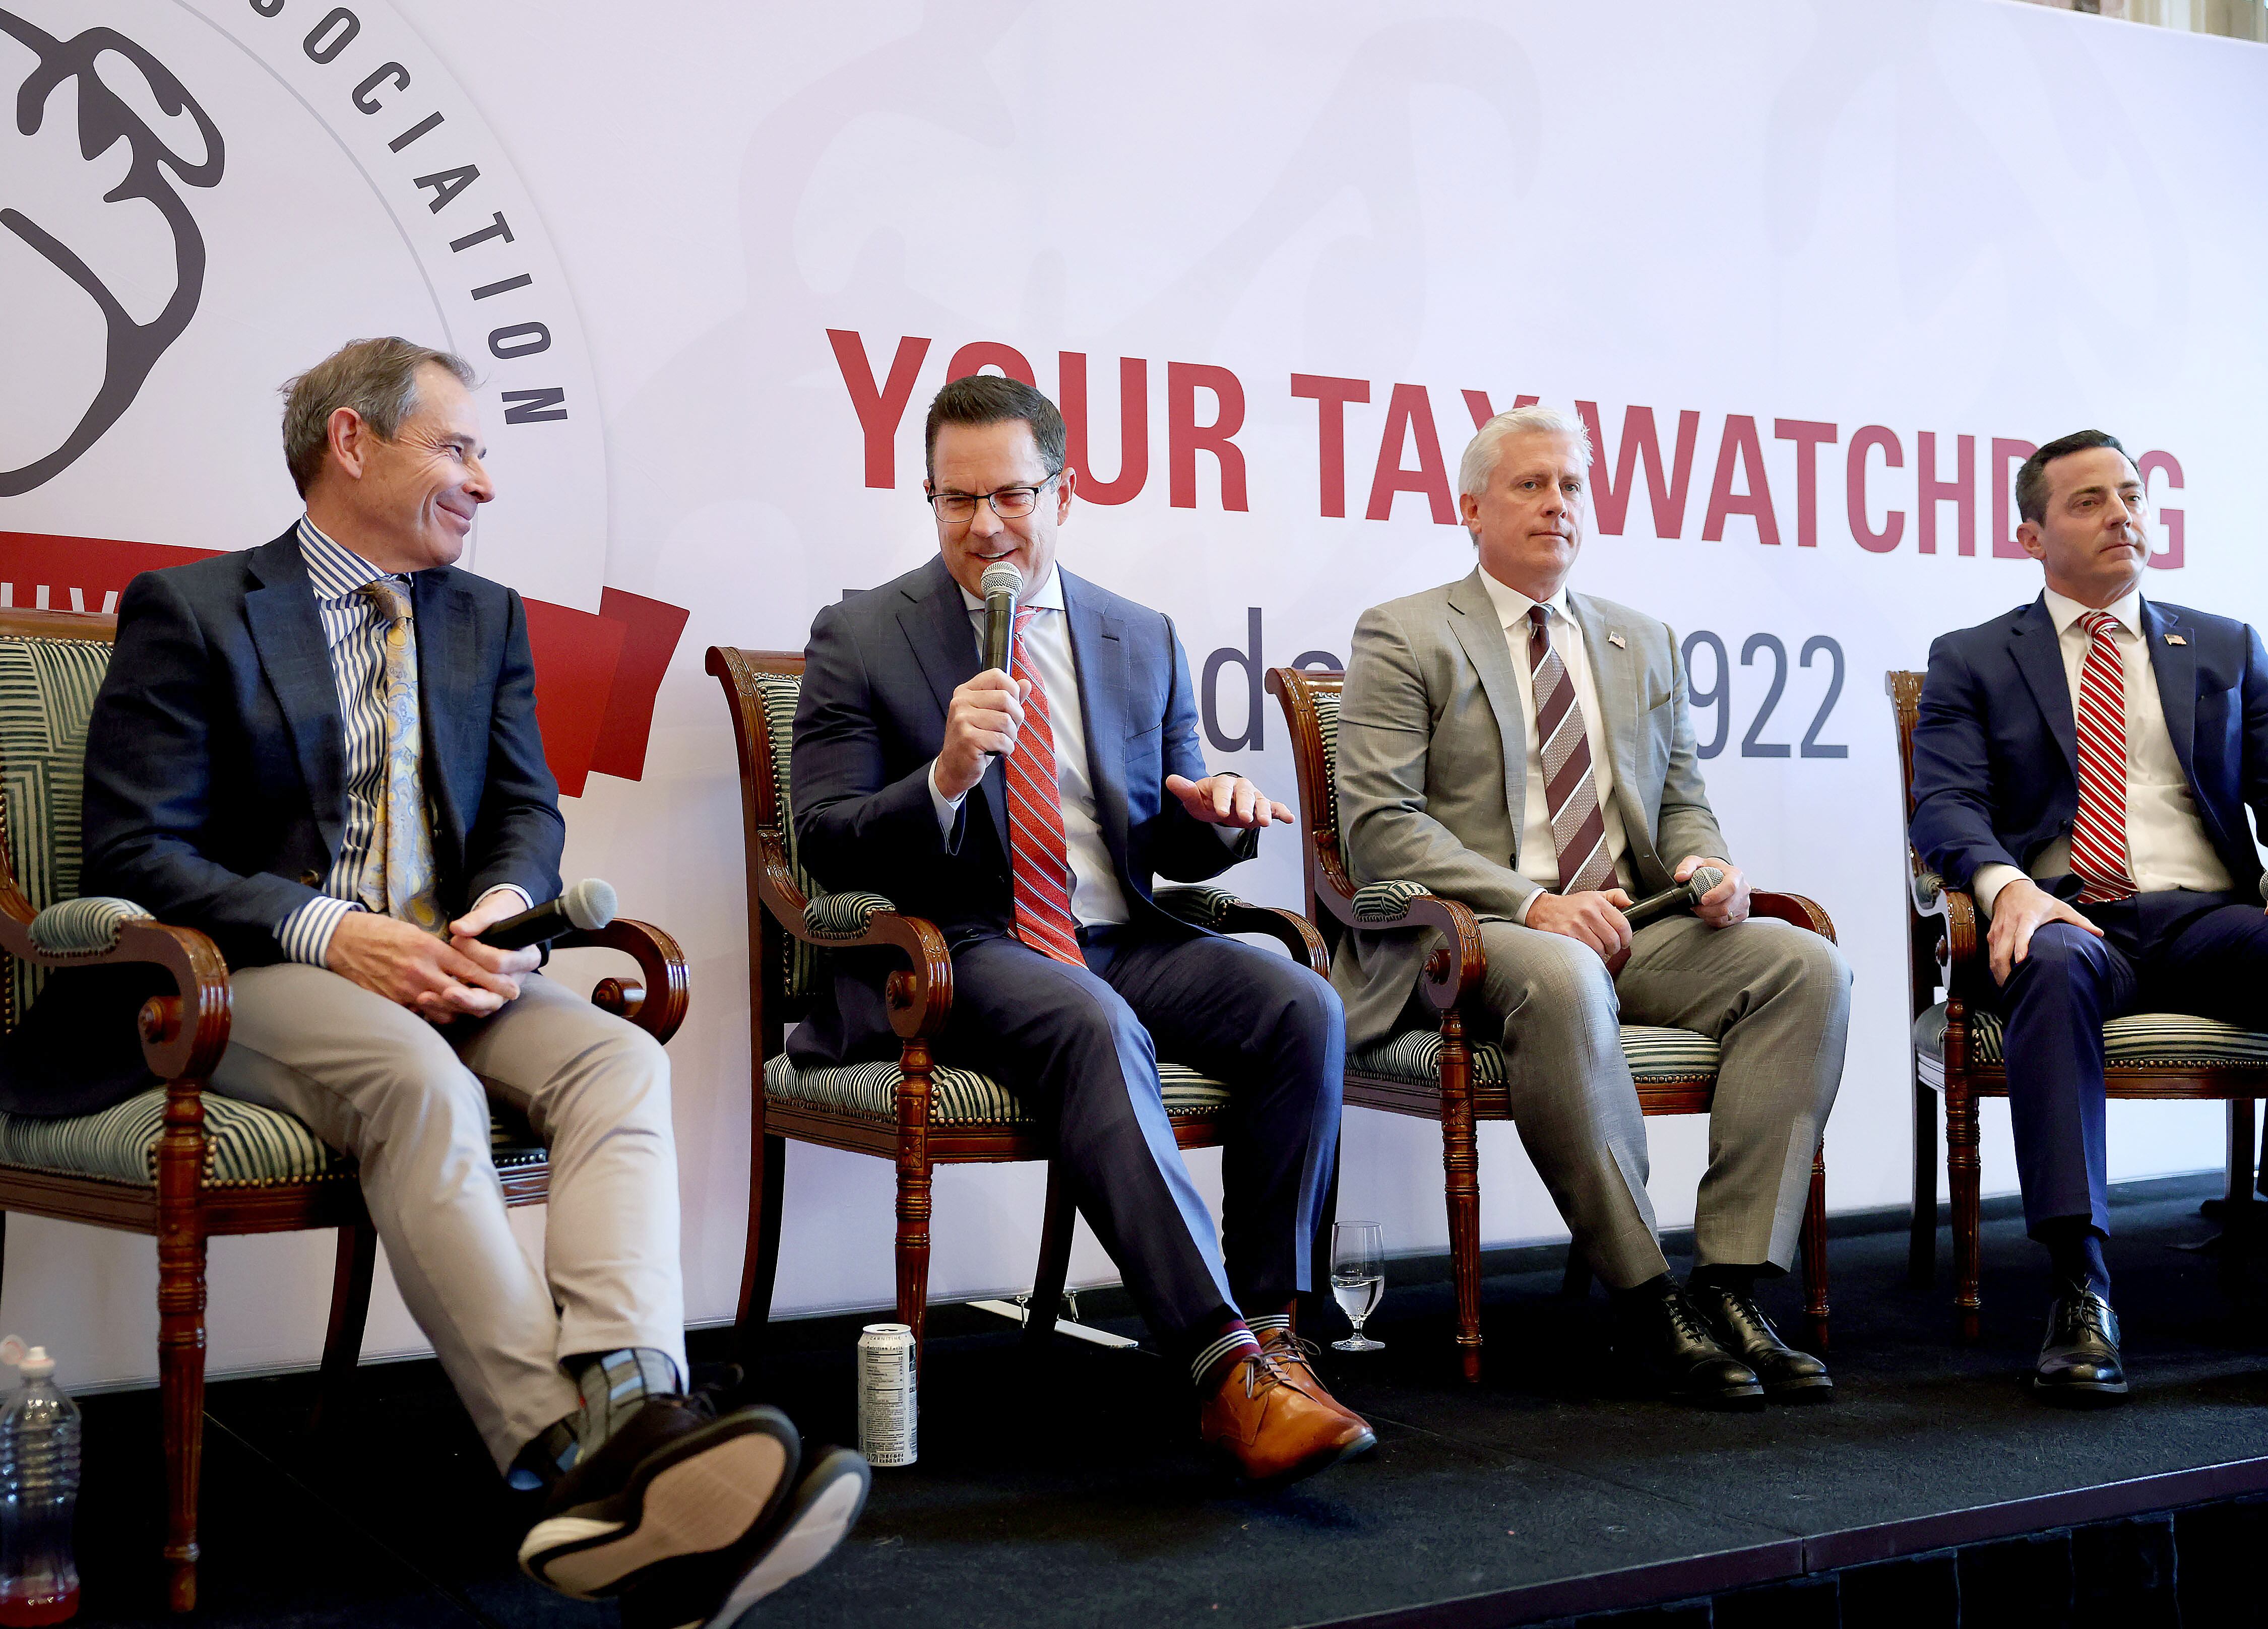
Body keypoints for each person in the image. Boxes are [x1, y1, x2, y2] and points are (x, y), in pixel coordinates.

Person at [18, 338, 864, 1624]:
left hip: (456, 961)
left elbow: (526, 811)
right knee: (415, 1081)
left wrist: (501, 911)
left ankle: (639, 1411)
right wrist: (331, 934)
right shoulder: (193, 610)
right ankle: (574, 1462)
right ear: (353, 442)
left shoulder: (486, 618)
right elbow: (139, 853)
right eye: (460, 448)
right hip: (245, 980)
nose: (484, 481)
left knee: (616, 1058)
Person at [793, 373, 1368, 1486]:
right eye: (956, 502)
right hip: (964, 950)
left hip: (1121, 935)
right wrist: (946, 777)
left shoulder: (1135, 633)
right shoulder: (864, 633)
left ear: (1064, 492)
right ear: (928, 499)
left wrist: (1220, 818)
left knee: (1301, 1003)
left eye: (1010, 495)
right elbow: (823, 845)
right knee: (1093, 1022)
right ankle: (1224, 1373)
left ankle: (1274, 1331)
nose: (986, 528)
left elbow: (1168, 835)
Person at [1333, 406, 1852, 1409]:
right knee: (1566, 969)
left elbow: (1682, 799)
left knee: (1807, 967)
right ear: (1471, 506)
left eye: (1571, 486)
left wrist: (1707, 863)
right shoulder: (1406, 633)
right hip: (1472, 940)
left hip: (1636, 925)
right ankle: (1648, 1295)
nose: (1557, 504)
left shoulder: (1640, 641)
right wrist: (1533, 902)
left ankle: (1735, 1284)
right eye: (1531, 485)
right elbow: (1381, 831)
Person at [1910, 429, 2268, 1406]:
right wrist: (2003, 884)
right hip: (2066, 918)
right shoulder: (1976, 658)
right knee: (2056, 964)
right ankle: (2082, 1289)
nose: (2123, 514)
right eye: (2089, 502)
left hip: (2207, 919)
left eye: (2133, 494)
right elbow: (1943, 806)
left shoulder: (2227, 644)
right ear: (2030, 535)